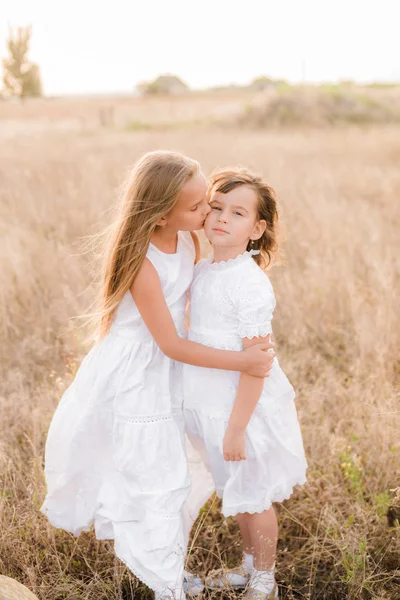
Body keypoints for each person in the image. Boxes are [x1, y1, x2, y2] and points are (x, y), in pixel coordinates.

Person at [40, 152, 275, 600]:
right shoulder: (142, 260)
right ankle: (164, 578)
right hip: (139, 367)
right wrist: (242, 362)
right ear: (162, 213)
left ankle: (165, 561)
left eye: (206, 201)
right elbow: (168, 342)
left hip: (174, 367)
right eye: (198, 208)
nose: (208, 214)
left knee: (171, 468)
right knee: (151, 470)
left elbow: (196, 303)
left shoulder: (187, 241)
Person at [183, 167, 307, 600]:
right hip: (210, 401)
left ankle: (264, 578)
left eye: (237, 213)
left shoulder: (249, 284)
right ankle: (247, 564)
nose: (221, 218)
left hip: (242, 408)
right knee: (235, 493)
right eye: (215, 207)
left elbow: (257, 365)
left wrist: (237, 427)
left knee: (254, 496)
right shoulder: (203, 269)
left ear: (257, 229)